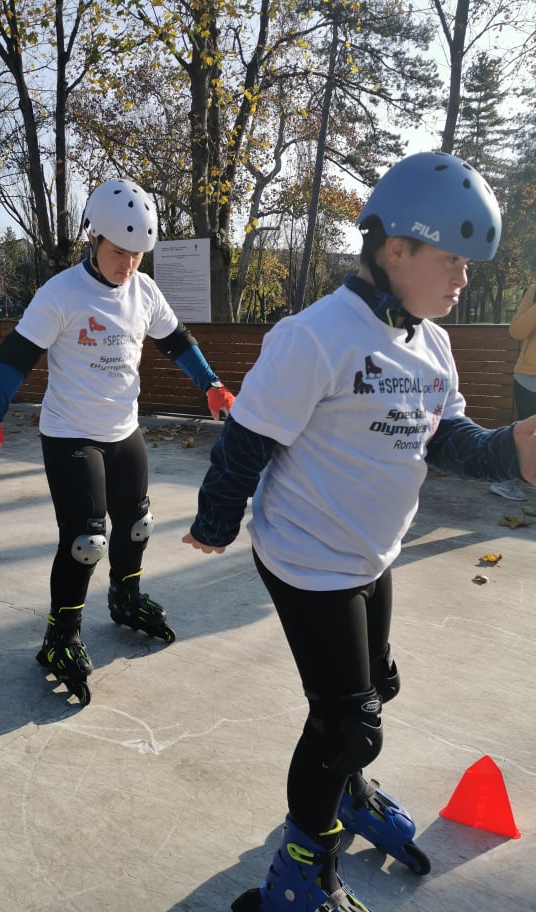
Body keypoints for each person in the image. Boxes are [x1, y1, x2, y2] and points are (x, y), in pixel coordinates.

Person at [182, 151, 536, 912]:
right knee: (347, 725)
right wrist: (216, 520)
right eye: (453, 261)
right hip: (307, 556)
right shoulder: (317, 335)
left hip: (370, 554)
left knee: (377, 691)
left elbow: (445, 439)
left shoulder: (431, 344)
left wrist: (510, 448)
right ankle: (299, 872)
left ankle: (344, 791)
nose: (463, 279)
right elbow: (249, 436)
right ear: (395, 249)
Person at [0, 178, 235, 706]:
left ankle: (125, 598)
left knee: (136, 525)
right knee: (86, 540)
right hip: (69, 433)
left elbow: (177, 341)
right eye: (118, 252)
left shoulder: (144, 291)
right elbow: (17, 353)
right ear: (94, 239)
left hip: (122, 429)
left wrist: (212, 384)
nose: (127, 264)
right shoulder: (61, 293)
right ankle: (60, 636)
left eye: (136, 254)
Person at [490, 281, 536, 501]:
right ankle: (503, 481)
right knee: (525, 434)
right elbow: (517, 331)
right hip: (529, 377)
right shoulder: (534, 291)